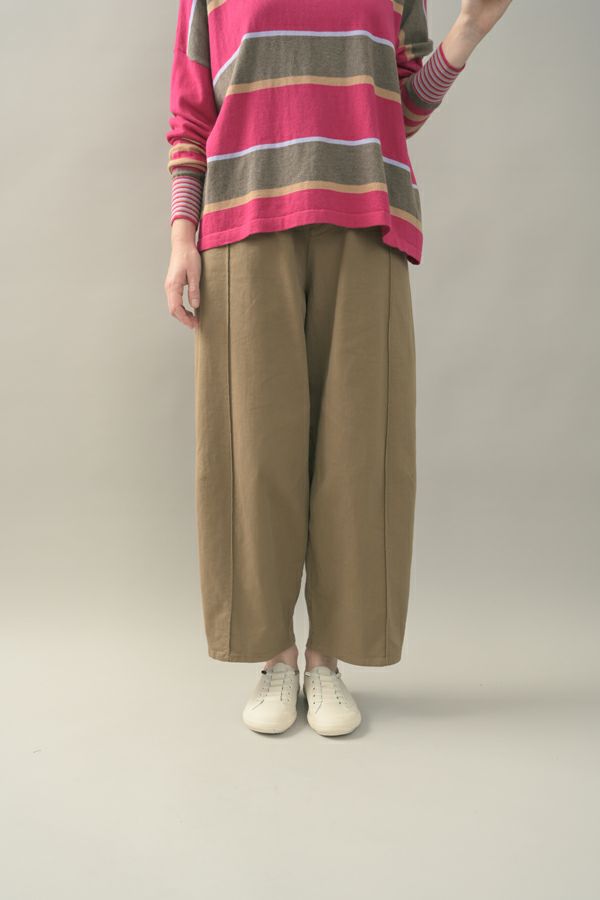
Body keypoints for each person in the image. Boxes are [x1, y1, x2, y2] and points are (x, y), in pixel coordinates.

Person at [163, 0, 512, 737]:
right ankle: (274, 655)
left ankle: (326, 659)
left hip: (365, 218)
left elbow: (401, 107)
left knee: (361, 449)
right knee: (252, 451)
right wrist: (181, 238)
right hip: (243, 221)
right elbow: (192, 119)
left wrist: (468, 33)